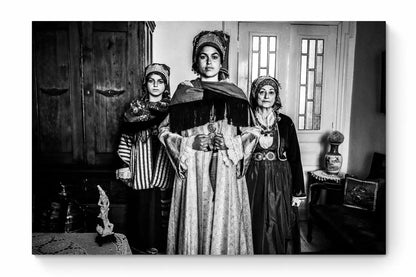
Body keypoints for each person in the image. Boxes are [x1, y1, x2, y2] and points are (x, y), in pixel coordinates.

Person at [158, 31, 259, 255]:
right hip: (194, 172)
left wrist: (231, 143)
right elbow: (164, 131)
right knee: (195, 219)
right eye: (203, 56)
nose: (209, 61)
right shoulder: (184, 92)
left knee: (224, 218)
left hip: (225, 170)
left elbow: (252, 132)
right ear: (196, 60)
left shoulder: (235, 94)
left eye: (214, 56)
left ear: (221, 61)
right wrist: (190, 143)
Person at [116, 63, 174, 254]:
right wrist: (126, 165)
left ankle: (160, 244)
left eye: (160, 81)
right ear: (145, 84)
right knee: (141, 206)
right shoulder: (135, 109)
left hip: (163, 165)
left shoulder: (172, 109)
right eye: (151, 81)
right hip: (140, 166)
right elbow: (125, 138)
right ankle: (140, 245)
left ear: (166, 85)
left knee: (161, 207)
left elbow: (178, 139)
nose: (156, 85)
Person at [245, 76, 305, 254]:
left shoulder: (285, 122)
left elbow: (295, 157)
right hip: (252, 176)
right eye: (262, 92)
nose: (266, 96)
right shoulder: (245, 120)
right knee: (253, 219)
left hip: (279, 178)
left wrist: (298, 191)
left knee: (275, 221)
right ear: (255, 94)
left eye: (271, 92)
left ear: (276, 96)